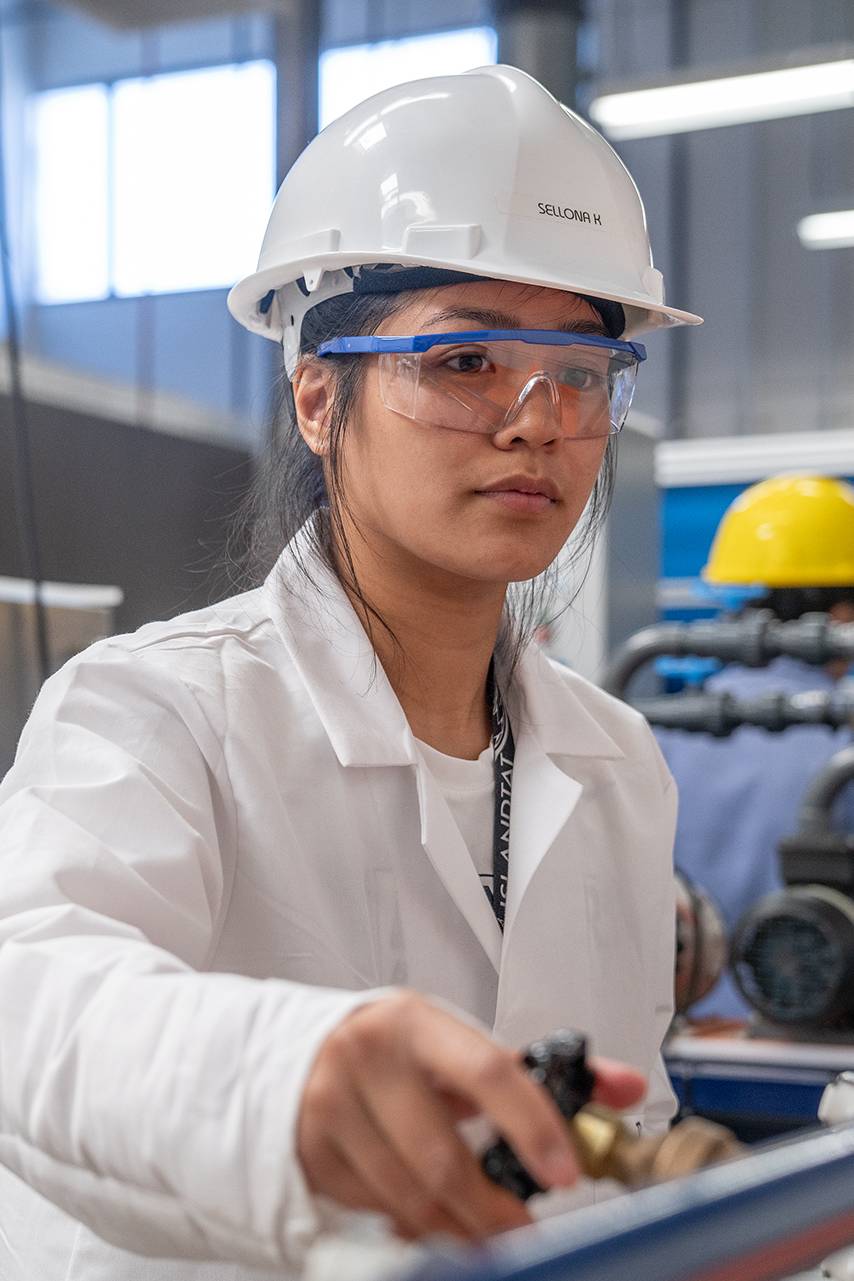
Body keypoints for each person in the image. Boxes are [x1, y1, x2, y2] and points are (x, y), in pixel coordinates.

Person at [0, 65, 701, 1280]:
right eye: (465, 360)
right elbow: (31, 997)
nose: (533, 419)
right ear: (319, 399)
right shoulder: (156, 711)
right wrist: (284, 1077)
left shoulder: (614, 762)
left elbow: (617, 1129)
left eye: (578, 374)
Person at [656, 474, 854, 1021]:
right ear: (840, 616)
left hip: (681, 1035)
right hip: (812, 1037)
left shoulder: (660, 731)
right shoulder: (842, 739)